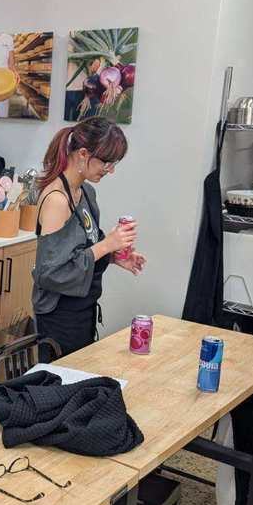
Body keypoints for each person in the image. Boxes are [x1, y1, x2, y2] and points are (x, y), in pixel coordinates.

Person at [32, 118, 145, 361]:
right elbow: (49, 273)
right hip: (59, 317)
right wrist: (107, 245)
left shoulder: (85, 193)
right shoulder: (57, 200)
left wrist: (114, 256)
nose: (110, 170)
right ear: (83, 154)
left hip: (83, 309)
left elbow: (84, 249)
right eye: (107, 162)